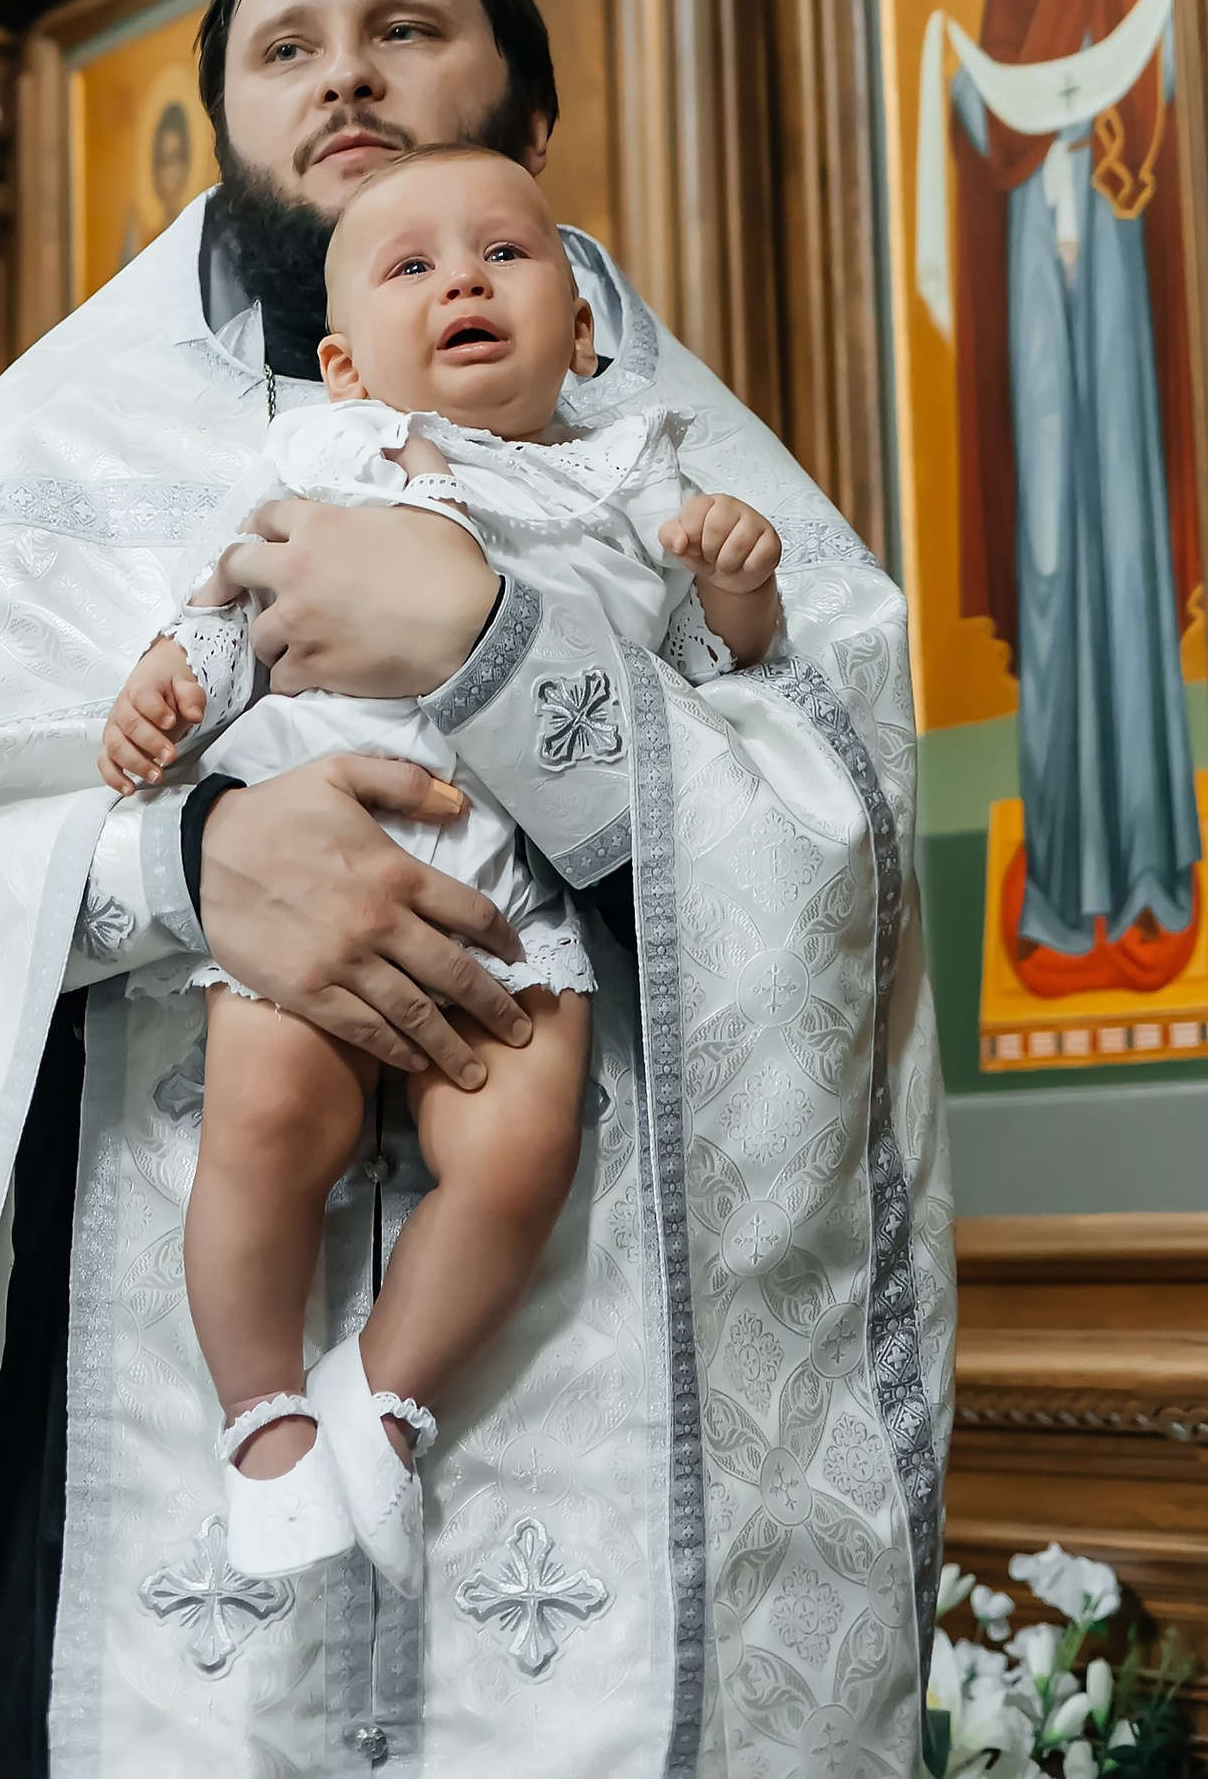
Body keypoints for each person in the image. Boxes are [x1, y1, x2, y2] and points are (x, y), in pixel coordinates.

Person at [0, 0, 948, 1779]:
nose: (346, 71)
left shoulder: (671, 454)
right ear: (228, 125)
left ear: (522, 103)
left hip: (584, 1409)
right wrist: (191, 863)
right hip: (129, 1452)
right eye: (288, 45)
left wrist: (496, 654)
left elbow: (835, 859)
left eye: (409, 30)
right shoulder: (62, 444)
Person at [101, 145, 782, 1589]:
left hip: (511, 888)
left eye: (504, 255)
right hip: (323, 834)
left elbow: (707, 689)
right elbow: (231, 603)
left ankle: (385, 1398)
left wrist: (733, 582)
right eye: (412, 267)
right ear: (343, 366)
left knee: (520, 1151)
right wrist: (172, 679)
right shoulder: (323, 456)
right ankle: (260, 1414)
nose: (464, 278)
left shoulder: (634, 478)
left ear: (582, 332)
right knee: (269, 1129)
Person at [917, 0, 1201, 966]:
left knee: (1122, 527)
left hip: (1114, 231)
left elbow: (1147, 50)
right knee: (1048, 540)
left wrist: (1114, 137)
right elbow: (990, 105)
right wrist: (977, 103)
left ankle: (1147, 860)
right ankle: (1057, 875)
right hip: (1035, 242)